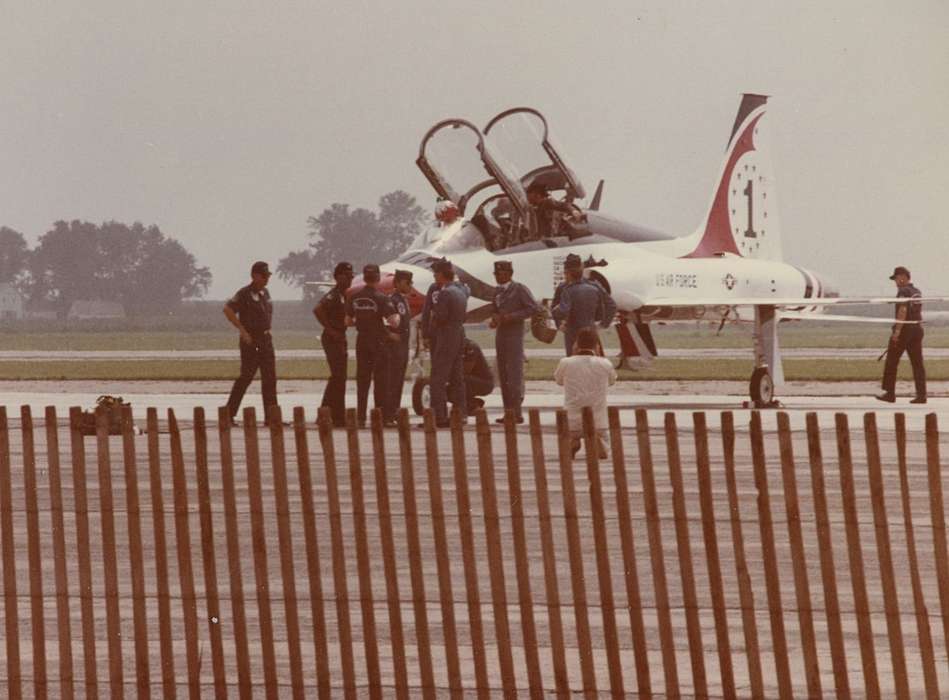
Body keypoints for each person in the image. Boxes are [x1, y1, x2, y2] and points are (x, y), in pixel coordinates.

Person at [345, 264, 400, 427]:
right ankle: (380, 416)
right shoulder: (382, 297)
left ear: (363, 277)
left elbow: (348, 321)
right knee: (381, 380)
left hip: (362, 341)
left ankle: (361, 417)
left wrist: (362, 321)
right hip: (378, 341)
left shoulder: (353, 297)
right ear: (377, 278)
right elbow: (394, 322)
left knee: (363, 380)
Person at [224, 261, 278, 425]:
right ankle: (228, 414)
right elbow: (228, 309)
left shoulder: (265, 293)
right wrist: (242, 330)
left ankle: (271, 417)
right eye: (264, 276)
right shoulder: (244, 293)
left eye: (267, 276)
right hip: (251, 340)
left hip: (265, 339)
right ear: (255, 276)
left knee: (270, 378)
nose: (266, 279)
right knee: (246, 377)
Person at [554, 327, 617, 458]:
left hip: (572, 422)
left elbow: (559, 381)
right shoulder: (605, 363)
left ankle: (574, 441)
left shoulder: (566, 362)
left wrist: (572, 354)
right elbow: (611, 381)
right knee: (604, 442)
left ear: (576, 344)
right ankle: (599, 443)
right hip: (598, 422)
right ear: (597, 345)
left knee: (571, 431)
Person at [489, 260, 539, 423]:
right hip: (501, 335)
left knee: (514, 375)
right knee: (503, 374)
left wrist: (510, 317)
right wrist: (495, 320)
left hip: (514, 336)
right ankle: (508, 411)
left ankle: (516, 413)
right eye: (496, 274)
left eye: (501, 273)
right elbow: (495, 310)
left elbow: (532, 308)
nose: (497, 276)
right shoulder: (497, 292)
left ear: (509, 274)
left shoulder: (519, 289)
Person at [422, 258, 469, 427]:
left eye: (436, 273)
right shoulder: (461, 291)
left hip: (445, 336)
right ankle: (461, 414)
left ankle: (439, 416)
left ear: (442, 274)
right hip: (458, 335)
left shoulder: (445, 293)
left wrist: (430, 328)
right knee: (457, 377)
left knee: (438, 378)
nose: (434, 276)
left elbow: (439, 317)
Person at [877, 265, 926, 403]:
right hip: (917, 328)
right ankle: (922, 395)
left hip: (905, 329)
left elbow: (902, 311)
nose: (896, 282)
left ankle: (890, 393)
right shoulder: (917, 291)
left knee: (892, 362)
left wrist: (897, 332)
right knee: (917, 364)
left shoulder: (903, 291)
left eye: (897, 278)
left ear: (903, 277)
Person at [313, 261, 354, 428]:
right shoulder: (334, 295)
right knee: (338, 376)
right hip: (332, 338)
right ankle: (329, 413)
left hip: (340, 337)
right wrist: (329, 329)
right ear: (339, 277)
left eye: (351, 276)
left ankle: (334, 414)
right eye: (347, 276)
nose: (350, 279)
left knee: (340, 377)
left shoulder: (346, 295)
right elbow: (318, 309)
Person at [552, 253, 617, 355]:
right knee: (593, 361)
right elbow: (611, 306)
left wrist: (559, 323)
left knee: (573, 362)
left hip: (572, 332)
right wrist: (603, 324)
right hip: (591, 329)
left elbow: (555, 308)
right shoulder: (594, 286)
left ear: (568, 272)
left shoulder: (565, 289)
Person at [383, 269, 414, 426]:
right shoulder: (392, 300)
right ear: (398, 283)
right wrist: (389, 335)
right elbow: (384, 322)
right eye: (407, 282)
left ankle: (394, 411)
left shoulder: (403, 300)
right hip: (394, 348)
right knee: (392, 381)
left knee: (398, 380)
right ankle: (388, 414)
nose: (410, 285)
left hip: (403, 347)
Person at [462, 337, 494, 415]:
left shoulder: (470, 346)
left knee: (461, 380)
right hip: (473, 380)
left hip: (484, 382)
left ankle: (471, 406)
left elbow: (466, 370)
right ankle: (473, 402)